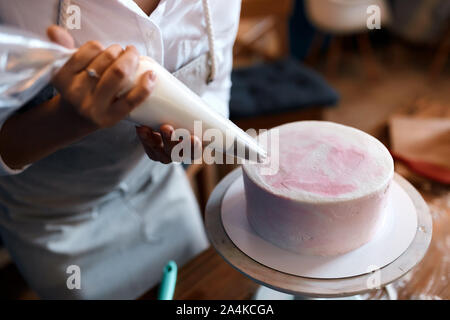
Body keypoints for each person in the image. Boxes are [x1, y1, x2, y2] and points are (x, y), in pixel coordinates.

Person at [0, 0, 240, 299]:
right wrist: (67, 120)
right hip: (55, 218)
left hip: (159, 187)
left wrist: (190, 144)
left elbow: (215, 90)